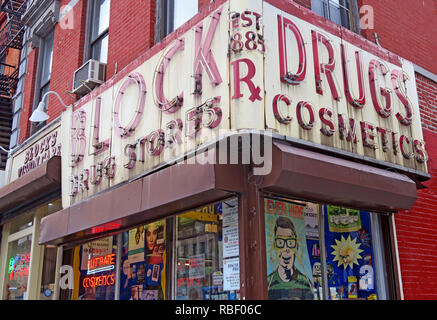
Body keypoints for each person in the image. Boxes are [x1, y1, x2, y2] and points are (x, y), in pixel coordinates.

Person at [267, 216, 314, 300]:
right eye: (280, 242)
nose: (286, 249)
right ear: (275, 247)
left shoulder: (305, 283)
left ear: (296, 246)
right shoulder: (267, 283)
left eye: (290, 242)